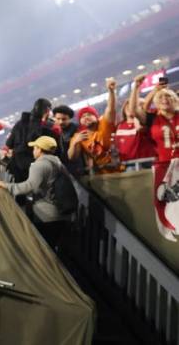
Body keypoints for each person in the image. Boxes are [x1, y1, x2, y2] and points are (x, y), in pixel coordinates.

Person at [0, 136, 69, 248]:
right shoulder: (57, 162)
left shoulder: (40, 165)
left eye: (34, 148)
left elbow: (29, 186)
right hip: (61, 213)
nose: (33, 151)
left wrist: (6, 185)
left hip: (46, 215)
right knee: (53, 248)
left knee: (43, 249)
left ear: (39, 149)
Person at [129, 74, 179, 240]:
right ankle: (172, 230)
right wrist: (136, 87)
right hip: (163, 164)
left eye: (168, 96)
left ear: (175, 100)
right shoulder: (152, 119)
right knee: (162, 200)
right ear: (156, 103)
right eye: (161, 97)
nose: (164, 99)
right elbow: (135, 110)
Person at [68, 78, 123, 175]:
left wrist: (111, 91)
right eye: (83, 116)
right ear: (80, 122)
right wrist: (75, 143)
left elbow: (111, 109)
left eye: (89, 114)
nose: (86, 117)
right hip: (101, 177)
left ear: (96, 117)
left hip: (120, 170)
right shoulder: (79, 136)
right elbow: (72, 157)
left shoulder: (104, 124)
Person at [6, 98, 61, 182]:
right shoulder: (46, 129)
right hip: (33, 167)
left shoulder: (19, 124)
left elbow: (9, 144)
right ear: (47, 111)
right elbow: (56, 151)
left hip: (16, 166)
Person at [52, 105, 84, 176]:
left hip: (76, 170)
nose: (60, 122)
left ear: (69, 119)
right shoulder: (55, 131)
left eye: (64, 119)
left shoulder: (76, 130)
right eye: (58, 119)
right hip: (63, 169)